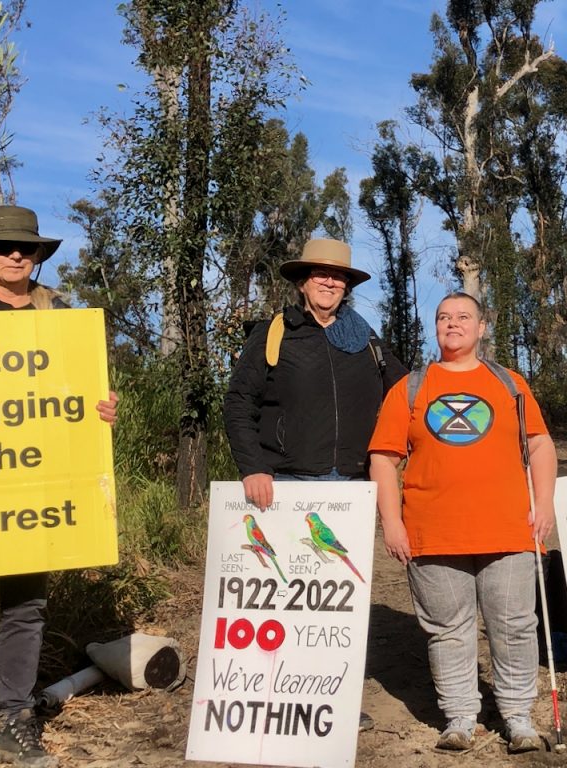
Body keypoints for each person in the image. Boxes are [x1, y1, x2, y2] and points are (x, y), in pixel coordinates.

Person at [0, 205, 119, 768]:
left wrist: (101, 408)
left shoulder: (56, 311)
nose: (17, 254)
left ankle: (15, 723)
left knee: (27, 605)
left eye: (27, 247)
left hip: (34, 486)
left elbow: (77, 392)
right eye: (5, 246)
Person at [222, 237, 406, 732]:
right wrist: (252, 466)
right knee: (287, 596)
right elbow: (239, 404)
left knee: (336, 604)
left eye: (339, 276)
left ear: (347, 286)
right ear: (303, 281)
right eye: (321, 274)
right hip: (284, 484)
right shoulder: (274, 332)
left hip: (349, 487)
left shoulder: (366, 338)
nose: (330, 281)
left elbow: (406, 394)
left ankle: (334, 698)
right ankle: (275, 699)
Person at [368, 292, 557, 754]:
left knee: (513, 625)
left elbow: (540, 444)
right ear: (435, 328)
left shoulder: (510, 384)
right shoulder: (410, 388)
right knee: (447, 629)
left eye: (463, 317)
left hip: (509, 530)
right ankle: (459, 718)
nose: (452, 324)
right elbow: (382, 458)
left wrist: (546, 503)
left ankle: (517, 716)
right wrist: (391, 522)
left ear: (481, 327)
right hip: (432, 536)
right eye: (444, 317)